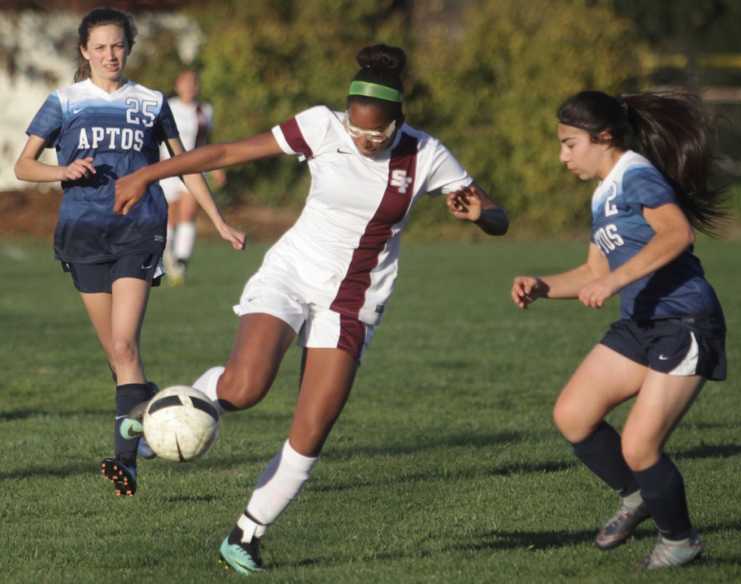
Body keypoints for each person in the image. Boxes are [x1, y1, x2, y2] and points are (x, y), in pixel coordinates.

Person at [114, 44, 508, 572]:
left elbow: (496, 215)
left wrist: (483, 214)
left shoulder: (426, 156)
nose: (365, 142)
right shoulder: (322, 126)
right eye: (358, 131)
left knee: (311, 429)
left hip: (353, 302)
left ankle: (247, 534)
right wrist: (146, 175)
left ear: (398, 122)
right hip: (291, 274)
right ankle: (153, 416)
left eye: (377, 135)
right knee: (244, 387)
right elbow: (228, 153)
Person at [14, 7, 245, 497]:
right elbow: (23, 166)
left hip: (138, 231)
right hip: (82, 233)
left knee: (124, 346)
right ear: (84, 51)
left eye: (117, 46)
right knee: (117, 357)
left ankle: (126, 463)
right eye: (99, 47)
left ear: (128, 48)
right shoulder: (65, 101)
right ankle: (151, 414)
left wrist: (219, 221)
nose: (109, 55)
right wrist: (63, 172)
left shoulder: (151, 102)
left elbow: (186, 165)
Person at [511, 90, 727, 569]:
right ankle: (638, 494)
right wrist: (543, 285)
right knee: (573, 414)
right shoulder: (603, 192)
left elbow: (676, 233)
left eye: (570, 144)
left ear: (602, 137)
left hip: (684, 322)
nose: (562, 155)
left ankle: (680, 540)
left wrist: (616, 280)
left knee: (639, 444)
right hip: (641, 323)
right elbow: (593, 272)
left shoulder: (636, 175)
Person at [159, 69, 226, 285]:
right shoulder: (168, 106)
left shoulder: (204, 110)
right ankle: (166, 254)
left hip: (194, 168)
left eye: (193, 83)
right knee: (170, 215)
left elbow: (206, 140)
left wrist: (216, 167)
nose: (190, 87)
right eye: (185, 83)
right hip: (167, 166)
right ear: (178, 85)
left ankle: (181, 261)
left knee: (188, 213)